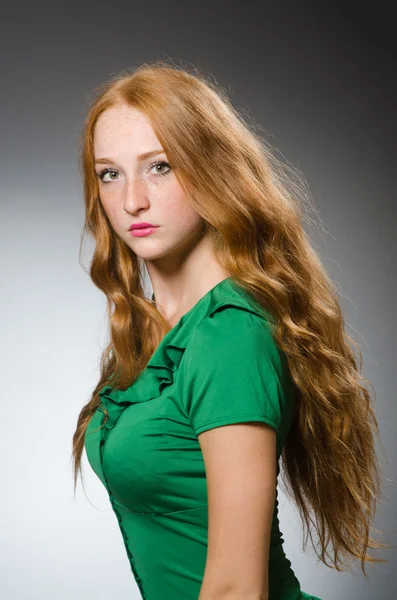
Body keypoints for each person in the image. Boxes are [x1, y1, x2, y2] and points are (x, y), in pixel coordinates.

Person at [71, 61, 388, 600]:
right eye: (110, 174)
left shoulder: (229, 335)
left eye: (160, 167)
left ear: (211, 168)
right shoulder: (157, 329)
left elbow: (237, 590)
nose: (132, 202)